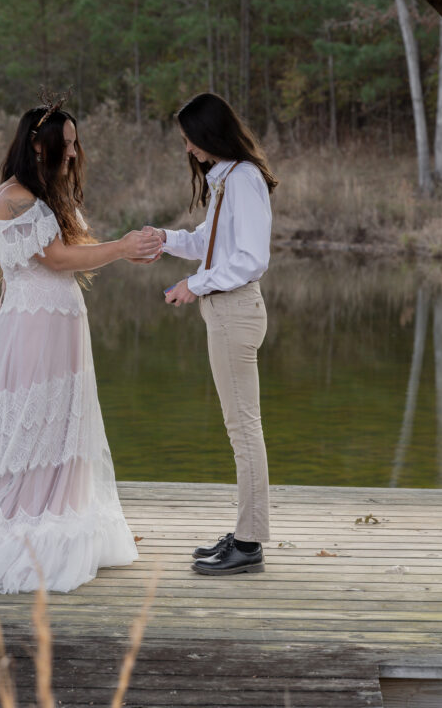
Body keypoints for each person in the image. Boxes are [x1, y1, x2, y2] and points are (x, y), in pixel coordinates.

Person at [0, 100, 162, 593]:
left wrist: (120, 253)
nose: (72, 153)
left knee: (60, 422)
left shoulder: (43, 195)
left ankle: (53, 510)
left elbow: (70, 256)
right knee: (27, 421)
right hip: (34, 328)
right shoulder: (15, 196)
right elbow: (56, 257)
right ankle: (17, 519)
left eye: (73, 143)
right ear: (36, 144)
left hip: (60, 324)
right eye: (63, 144)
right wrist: (121, 247)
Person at [152, 93, 277, 576]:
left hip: (233, 312)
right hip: (227, 312)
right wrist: (164, 240)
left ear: (209, 135)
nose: (187, 149)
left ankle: (248, 544)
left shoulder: (242, 180)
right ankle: (246, 533)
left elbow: (249, 259)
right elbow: (209, 242)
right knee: (241, 428)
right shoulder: (229, 179)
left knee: (243, 429)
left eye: (189, 139)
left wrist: (192, 285)